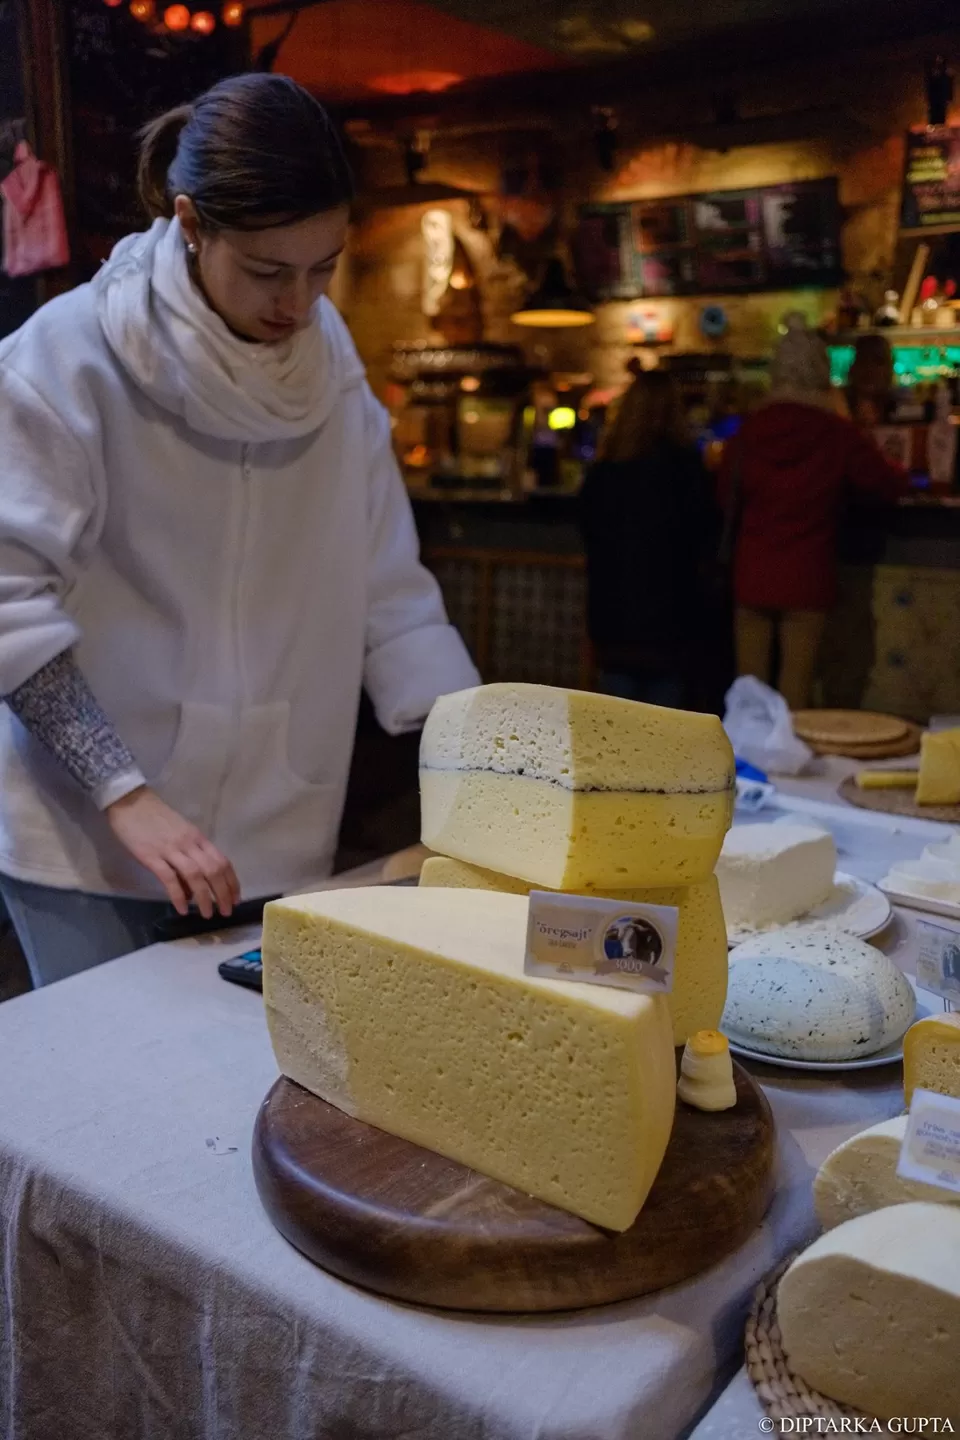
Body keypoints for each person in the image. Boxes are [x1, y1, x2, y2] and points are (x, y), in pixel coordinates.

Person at [0, 74, 479, 987]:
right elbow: (6, 600)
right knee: (104, 1105)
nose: (298, 304)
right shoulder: (66, 361)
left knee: (232, 1098)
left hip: (276, 829)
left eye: (323, 267)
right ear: (190, 224)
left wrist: (483, 772)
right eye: (267, 270)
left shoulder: (335, 377)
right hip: (91, 839)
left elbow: (392, 594)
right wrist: (125, 795)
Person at [718, 316, 905, 711]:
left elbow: (723, 494)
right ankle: (787, 768)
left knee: (747, 694)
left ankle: (743, 768)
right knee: (796, 693)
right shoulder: (837, 433)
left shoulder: (748, 431)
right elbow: (884, 486)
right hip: (807, 576)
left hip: (751, 575)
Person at [579, 366, 719, 709]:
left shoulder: (605, 472)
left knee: (615, 732)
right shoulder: (688, 470)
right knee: (663, 731)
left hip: (615, 618)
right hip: (672, 619)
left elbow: (589, 533)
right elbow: (706, 537)